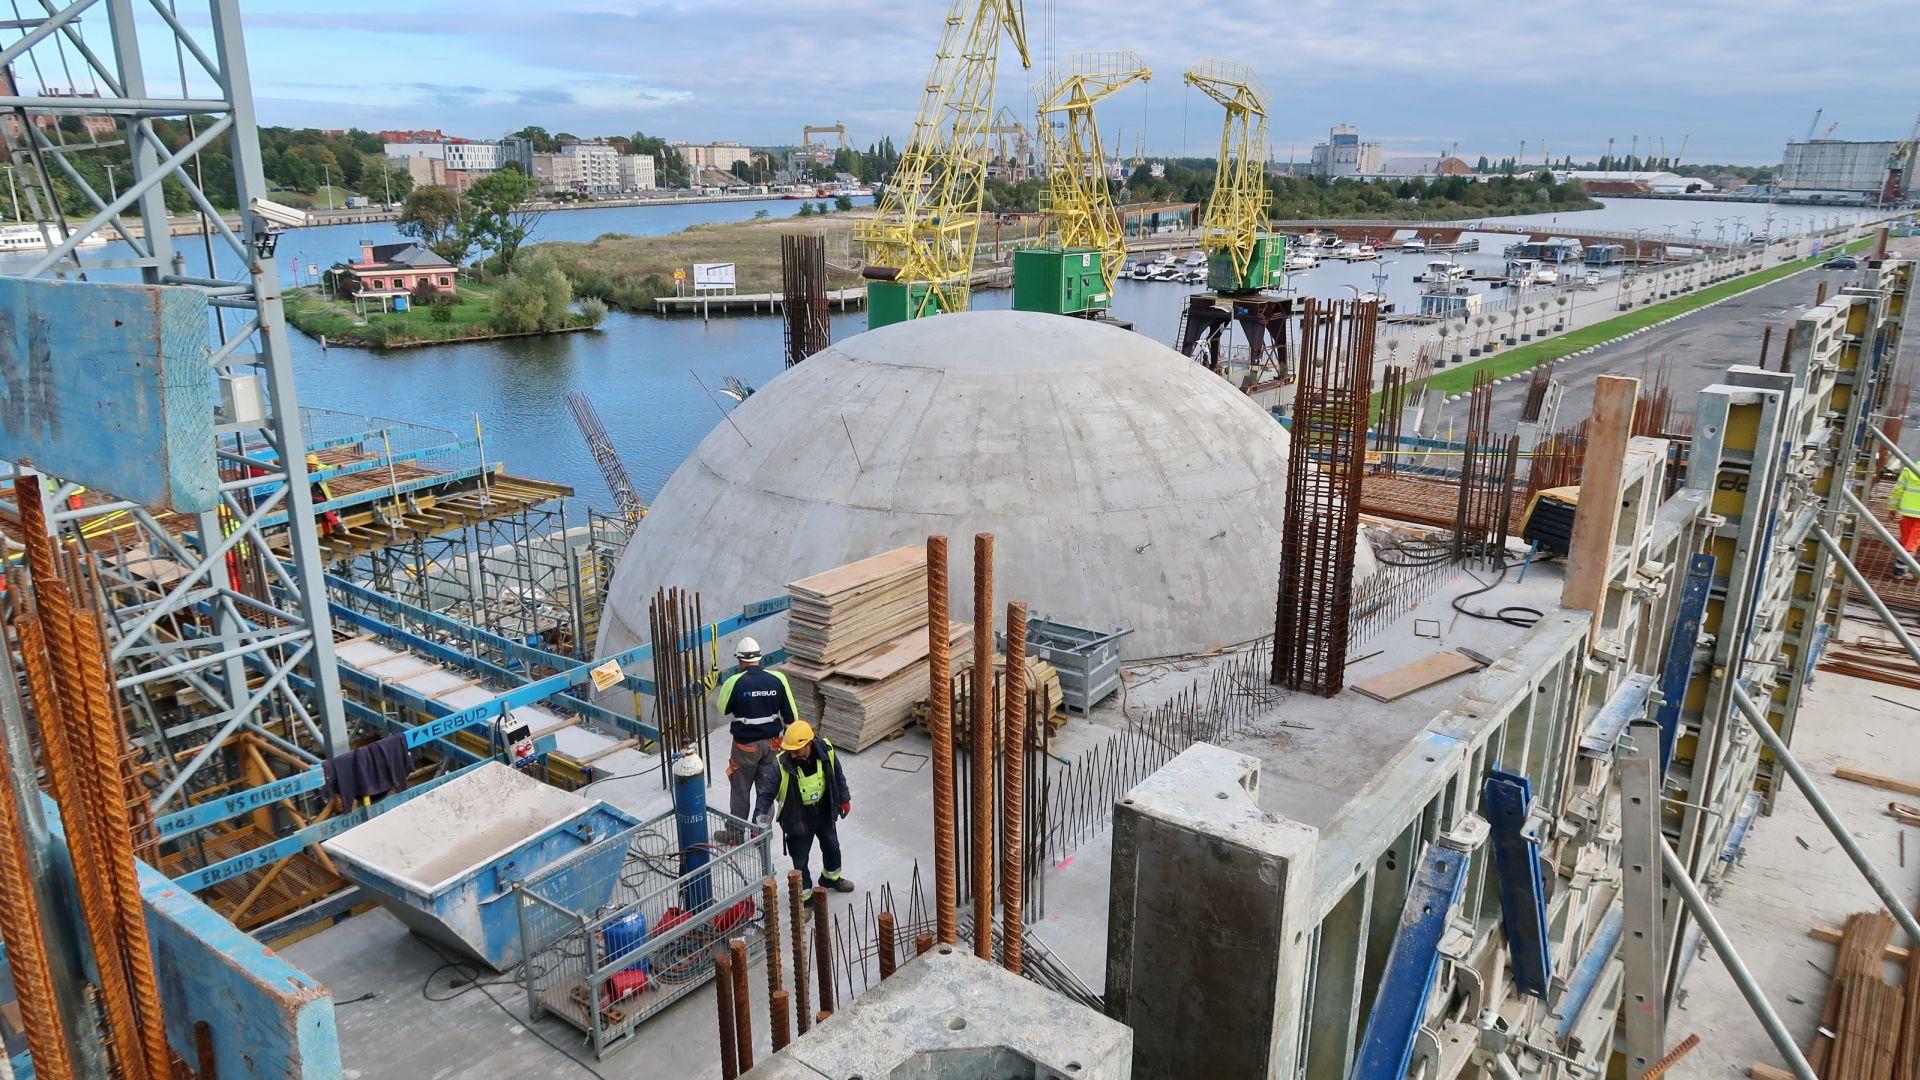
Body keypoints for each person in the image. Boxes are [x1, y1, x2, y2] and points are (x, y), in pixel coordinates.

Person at [753, 720, 853, 892]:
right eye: (789, 751)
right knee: (800, 859)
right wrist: (759, 818)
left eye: (796, 751)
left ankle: (831, 878)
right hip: (797, 816)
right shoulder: (780, 765)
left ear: (809, 744)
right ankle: (805, 897)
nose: (792, 755)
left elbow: (838, 774)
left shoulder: (826, 750)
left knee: (832, 846)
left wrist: (844, 799)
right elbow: (766, 794)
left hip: (823, 810)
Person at [711, 637, 799, 822]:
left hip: (745, 747)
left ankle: (735, 834)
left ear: (740, 660)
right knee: (766, 790)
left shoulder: (734, 681)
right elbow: (792, 717)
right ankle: (761, 834)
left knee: (740, 791)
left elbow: (722, 708)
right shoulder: (778, 678)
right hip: (773, 745)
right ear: (760, 658)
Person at [1894, 461, 1920, 579]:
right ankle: (1900, 571)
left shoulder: (1910, 467)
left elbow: (1898, 489)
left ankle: (1899, 568)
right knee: (1912, 543)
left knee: (1906, 540)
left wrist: (1892, 508)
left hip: (1906, 511)